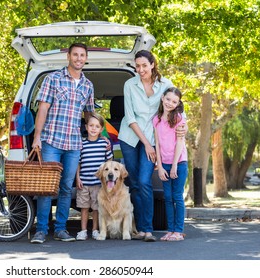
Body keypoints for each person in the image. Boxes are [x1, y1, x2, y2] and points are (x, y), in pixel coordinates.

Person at [118, 50, 186, 242]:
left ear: (152, 64)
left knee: (144, 180)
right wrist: (146, 143)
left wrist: (183, 128)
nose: (140, 70)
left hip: (153, 139)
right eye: (137, 66)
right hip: (130, 137)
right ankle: (141, 228)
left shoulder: (166, 85)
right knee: (136, 184)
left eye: (144, 66)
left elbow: (179, 106)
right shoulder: (129, 85)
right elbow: (130, 117)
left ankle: (148, 229)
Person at [30, 43, 94, 244]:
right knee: (47, 187)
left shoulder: (88, 85)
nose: (78, 58)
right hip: (51, 141)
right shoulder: (53, 79)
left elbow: (89, 115)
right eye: (75, 54)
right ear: (68, 56)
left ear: (85, 58)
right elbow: (42, 109)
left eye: (82, 55)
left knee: (66, 187)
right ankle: (41, 230)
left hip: (74, 144)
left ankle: (60, 229)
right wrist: (37, 137)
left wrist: (99, 137)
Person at [153, 87, 188, 241]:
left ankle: (178, 231)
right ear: (162, 98)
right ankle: (170, 230)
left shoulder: (179, 118)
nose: (170, 103)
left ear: (178, 103)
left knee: (177, 196)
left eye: (174, 101)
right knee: (167, 197)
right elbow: (157, 145)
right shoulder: (157, 119)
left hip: (178, 163)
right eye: (168, 99)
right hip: (164, 164)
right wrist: (159, 166)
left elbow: (180, 142)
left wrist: (174, 165)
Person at [75, 113, 113, 241]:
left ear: (101, 129)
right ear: (86, 127)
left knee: (96, 208)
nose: (93, 128)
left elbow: (109, 162)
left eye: (97, 126)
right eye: (91, 125)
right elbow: (78, 163)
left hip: (98, 183)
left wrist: (107, 180)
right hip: (84, 182)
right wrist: (78, 178)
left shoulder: (104, 144)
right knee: (84, 207)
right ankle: (83, 230)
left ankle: (95, 230)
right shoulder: (82, 144)